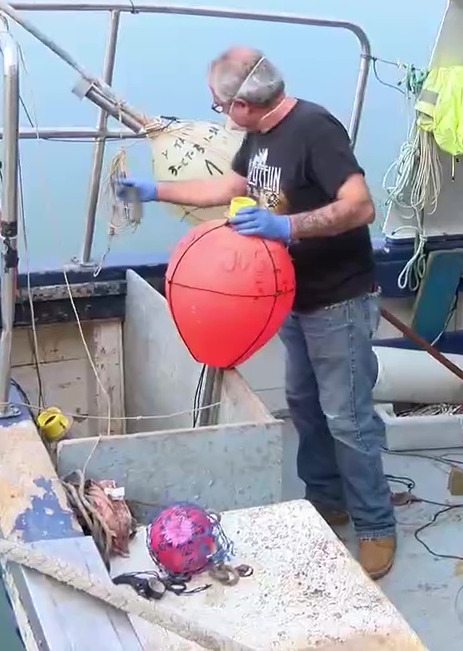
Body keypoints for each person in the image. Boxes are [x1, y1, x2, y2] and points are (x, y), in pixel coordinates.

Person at [118, 46, 397, 579]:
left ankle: (377, 526)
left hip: (339, 299)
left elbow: (361, 205)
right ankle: (326, 499)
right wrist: (154, 191)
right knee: (304, 403)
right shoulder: (261, 136)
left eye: (220, 105)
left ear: (244, 103)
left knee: (349, 418)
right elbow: (229, 187)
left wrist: (287, 228)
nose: (220, 113)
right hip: (292, 297)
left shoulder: (316, 129)